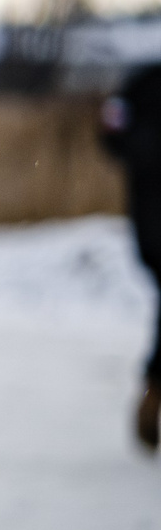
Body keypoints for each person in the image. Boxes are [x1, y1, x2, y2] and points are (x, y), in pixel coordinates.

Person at [97, 62, 161, 450]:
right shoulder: (141, 84)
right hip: (153, 214)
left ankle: (152, 394)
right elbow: (109, 136)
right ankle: (152, 395)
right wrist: (146, 153)